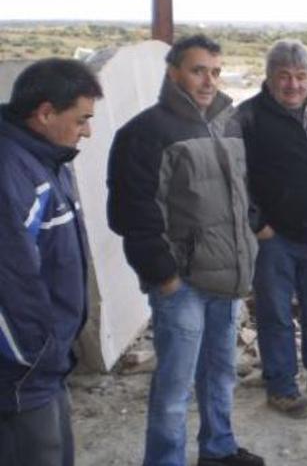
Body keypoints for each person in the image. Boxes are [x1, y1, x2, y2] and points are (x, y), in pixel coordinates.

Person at [107, 35, 263, 466]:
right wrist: (165, 276)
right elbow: (131, 213)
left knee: (220, 374)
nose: (208, 80)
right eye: (198, 70)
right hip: (183, 285)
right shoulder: (145, 132)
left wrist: (251, 233)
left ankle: (218, 449)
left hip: (226, 279)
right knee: (175, 389)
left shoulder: (228, 123)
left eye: (215, 71)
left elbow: (243, 192)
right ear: (173, 71)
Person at [234, 39, 307, 417]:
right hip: (274, 239)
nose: (293, 84)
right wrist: (258, 224)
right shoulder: (247, 118)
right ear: (269, 77)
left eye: (301, 76)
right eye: (284, 76)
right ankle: (282, 385)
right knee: (275, 315)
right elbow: (236, 178)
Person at [0, 58, 102, 466]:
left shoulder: (47, 158)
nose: (88, 131)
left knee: (58, 453)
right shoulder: (11, 170)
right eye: (81, 120)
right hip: (23, 371)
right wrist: (34, 357)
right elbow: (9, 288)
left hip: (47, 361)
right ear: (44, 113)